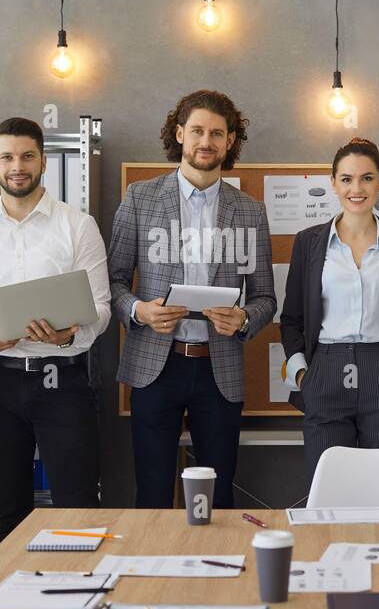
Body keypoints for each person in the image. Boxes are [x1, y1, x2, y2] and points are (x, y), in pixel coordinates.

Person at [107, 89, 276, 509]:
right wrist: (138, 310)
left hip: (218, 369)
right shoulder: (139, 199)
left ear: (230, 141)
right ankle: (154, 574)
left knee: (217, 498)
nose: (206, 141)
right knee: (152, 493)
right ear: (179, 134)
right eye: (197, 130)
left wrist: (242, 319)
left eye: (217, 133)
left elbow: (265, 298)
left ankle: (217, 572)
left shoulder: (250, 211)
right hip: (154, 366)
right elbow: (111, 282)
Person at [0, 117, 111, 546]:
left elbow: (101, 308)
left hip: (62, 381)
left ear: (43, 161)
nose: (17, 166)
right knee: (7, 511)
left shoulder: (78, 225)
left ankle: (82, 606)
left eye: (26, 156)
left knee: (78, 509)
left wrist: (67, 338)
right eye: (7, 157)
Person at [279, 137, 379, 476]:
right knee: (332, 485)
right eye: (346, 179)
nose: (357, 188)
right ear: (333, 182)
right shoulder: (308, 242)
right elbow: (291, 319)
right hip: (326, 370)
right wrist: (304, 374)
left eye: (367, 178)